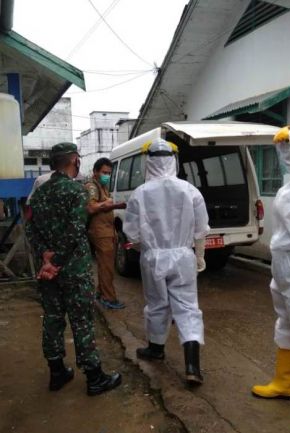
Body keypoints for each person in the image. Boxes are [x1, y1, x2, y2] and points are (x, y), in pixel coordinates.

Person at [25, 142, 121, 395]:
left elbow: (30, 228)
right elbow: (75, 230)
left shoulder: (40, 192)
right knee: (81, 322)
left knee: (53, 319)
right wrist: (56, 262)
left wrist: (45, 256)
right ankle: (94, 377)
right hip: (74, 270)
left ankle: (57, 373)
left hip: (48, 271)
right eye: (77, 158)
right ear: (74, 161)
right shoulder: (76, 191)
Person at [123, 138, 210, 385]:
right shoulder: (190, 190)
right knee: (188, 306)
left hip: (153, 257)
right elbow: (201, 229)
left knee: (157, 304)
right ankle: (192, 367)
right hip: (183, 256)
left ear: (148, 162)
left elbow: (132, 234)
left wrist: (148, 250)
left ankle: (156, 348)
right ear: (174, 161)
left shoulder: (140, 192)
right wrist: (200, 256)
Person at [252, 126, 290, 404]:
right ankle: (285, 382)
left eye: (288, 147)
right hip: (283, 262)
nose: (284, 154)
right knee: (286, 321)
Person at [85, 158, 126, 310]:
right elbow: (91, 207)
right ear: (95, 172)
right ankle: (108, 298)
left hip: (106, 230)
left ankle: (101, 292)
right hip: (100, 232)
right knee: (107, 266)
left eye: (109, 173)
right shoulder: (92, 186)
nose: (107, 175)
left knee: (105, 265)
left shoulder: (102, 186)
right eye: (104, 172)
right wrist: (115, 205)